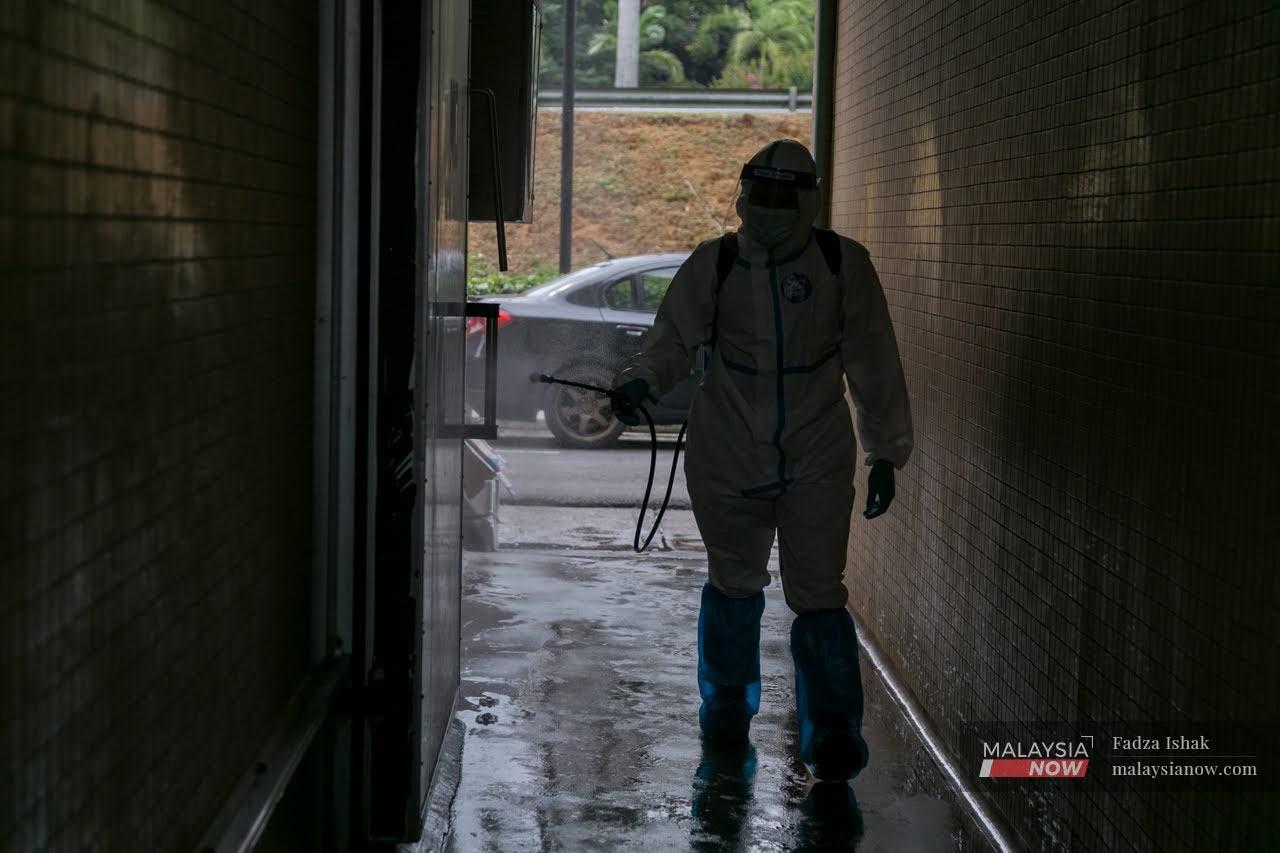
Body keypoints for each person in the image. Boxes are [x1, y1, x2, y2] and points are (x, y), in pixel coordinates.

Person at [611, 139, 914, 782]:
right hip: (727, 449)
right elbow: (670, 341)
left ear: (808, 202)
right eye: (761, 196)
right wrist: (640, 382)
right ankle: (725, 708)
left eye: (785, 198)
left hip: (816, 450)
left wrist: (885, 452)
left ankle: (832, 732)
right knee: (734, 581)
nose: (770, 211)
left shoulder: (842, 265)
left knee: (819, 593)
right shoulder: (714, 264)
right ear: (744, 196)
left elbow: (874, 364)